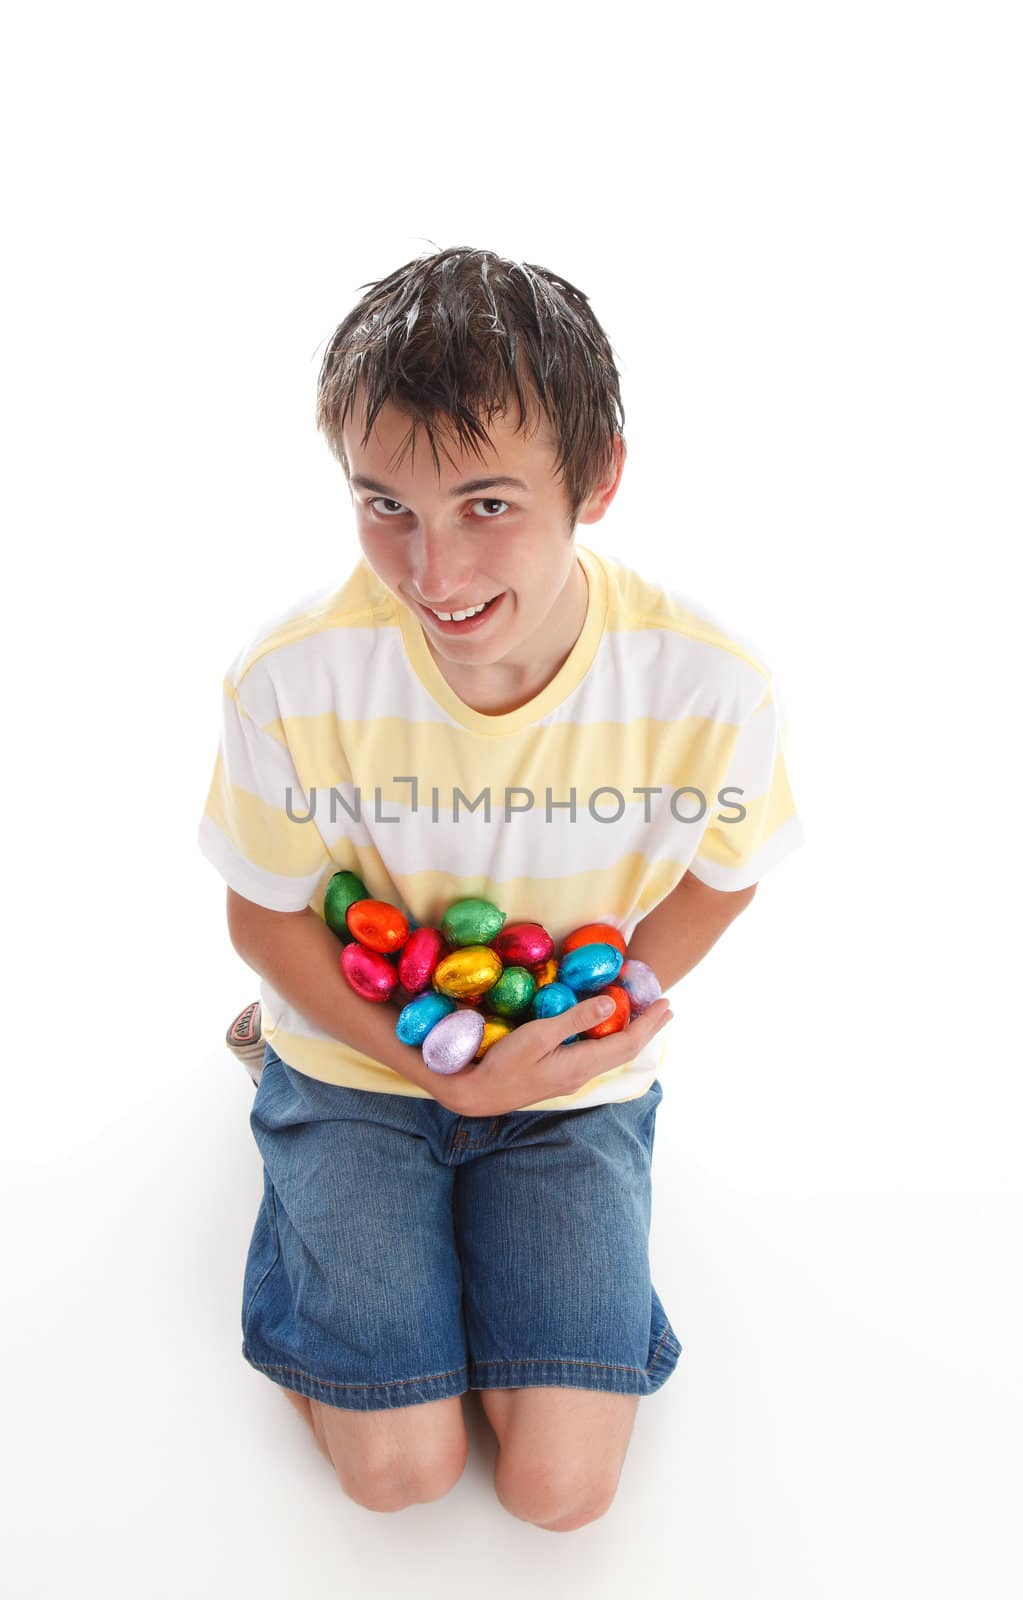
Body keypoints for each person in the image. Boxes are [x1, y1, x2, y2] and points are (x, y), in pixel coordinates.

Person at [197, 244, 804, 1529]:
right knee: (400, 1471)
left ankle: (447, 1221)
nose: (432, 574)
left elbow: (724, 874)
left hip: (561, 1067)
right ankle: (283, 1087)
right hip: (365, 1053)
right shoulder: (295, 675)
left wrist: (607, 1009)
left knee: (559, 1489)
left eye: (486, 506)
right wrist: (425, 1063)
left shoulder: (708, 681)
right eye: (385, 507)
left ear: (597, 477)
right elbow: (262, 914)